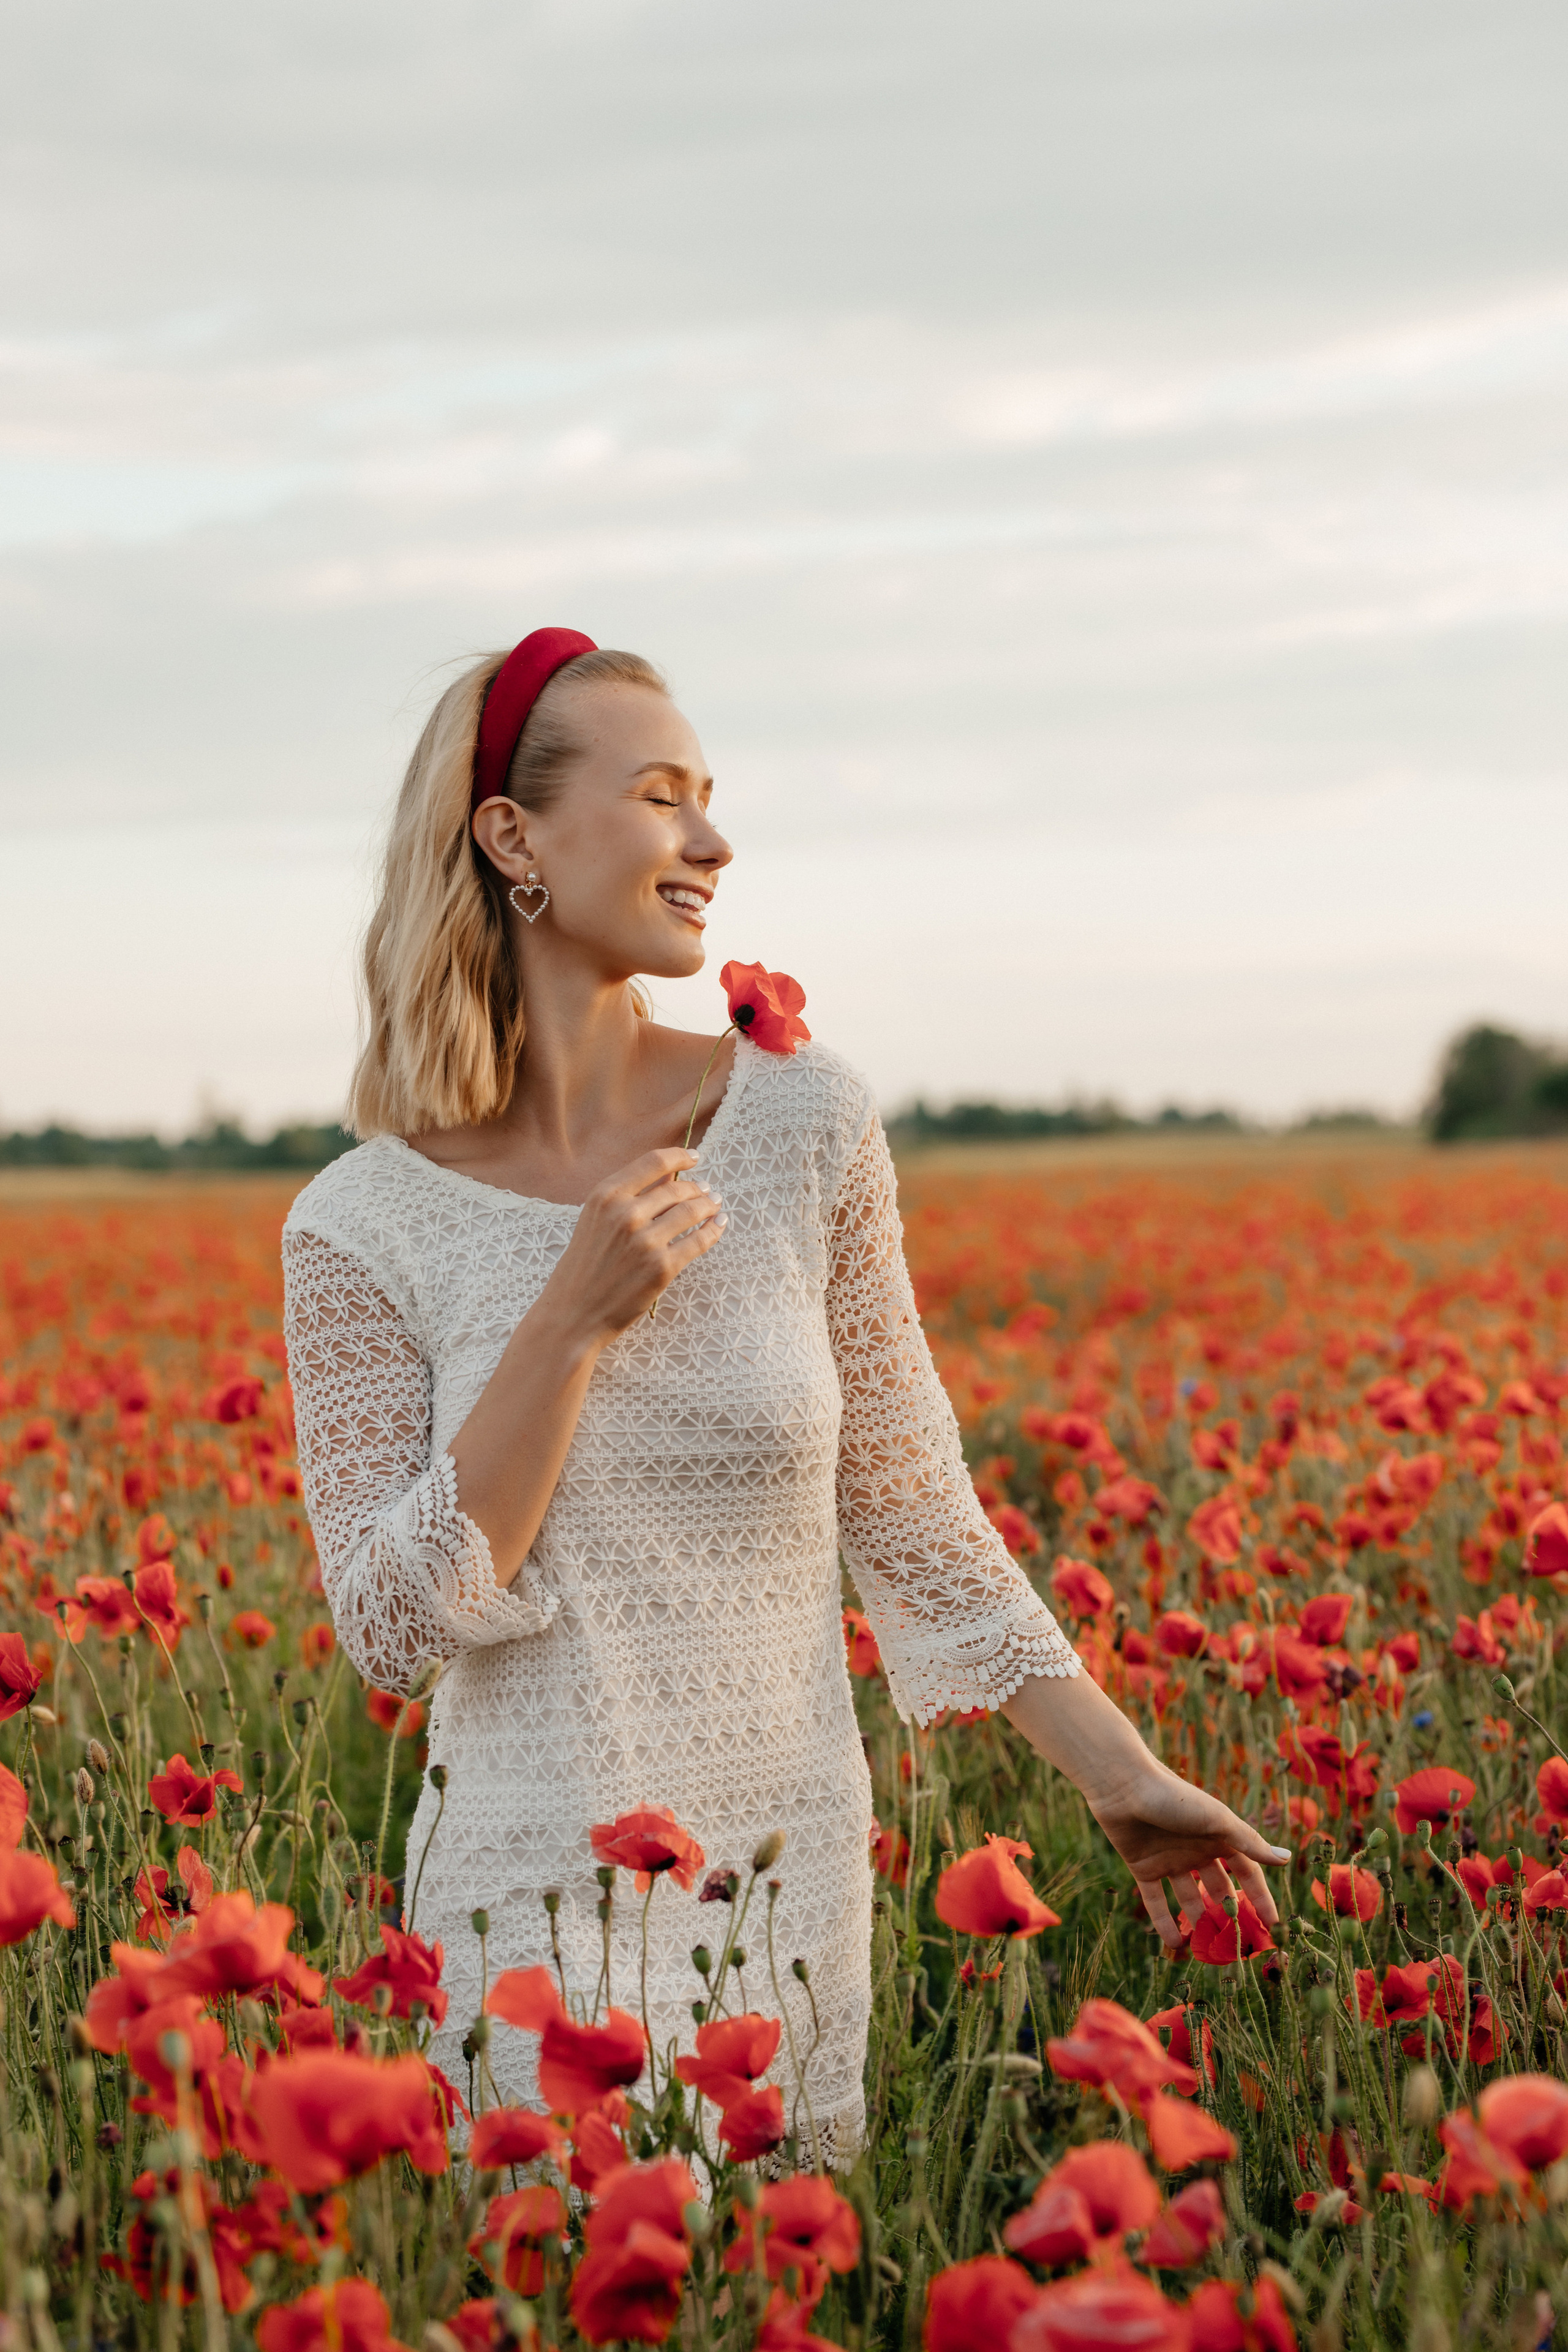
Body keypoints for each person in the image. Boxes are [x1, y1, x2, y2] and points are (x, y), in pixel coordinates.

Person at [282, 627, 1289, 2159]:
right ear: (512, 837)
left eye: (711, 798)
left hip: (778, 1879)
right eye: (661, 796)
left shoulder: (804, 1123)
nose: (712, 841)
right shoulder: (358, 1225)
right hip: (528, 1901)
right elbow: (393, 1626)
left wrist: (1125, 1778)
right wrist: (568, 1323)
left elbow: (912, 1510)